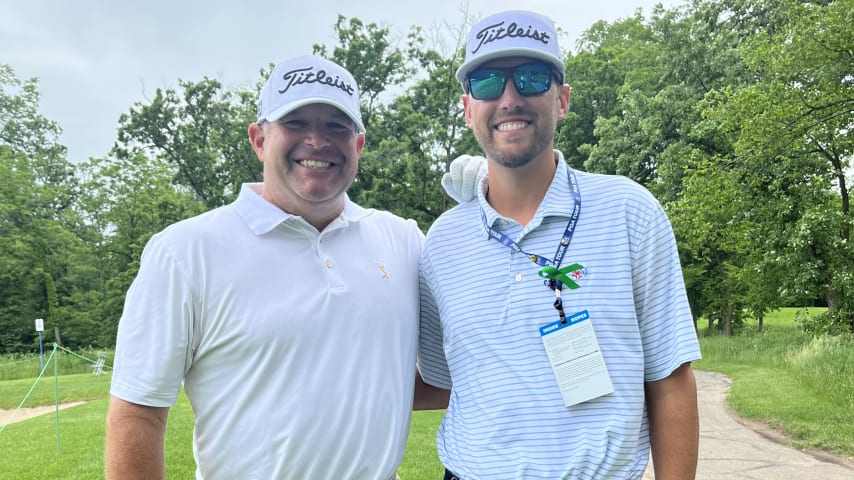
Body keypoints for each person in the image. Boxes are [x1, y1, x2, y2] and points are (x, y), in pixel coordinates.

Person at [105, 55, 427, 480]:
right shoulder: (185, 251)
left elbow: (442, 372)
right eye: (295, 122)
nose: (317, 140)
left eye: (337, 125)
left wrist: (491, 201)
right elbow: (137, 413)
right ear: (259, 139)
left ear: (359, 145)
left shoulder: (402, 240)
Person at [418, 10, 702, 480]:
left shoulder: (630, 211)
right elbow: (443, 381)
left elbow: (670, 378)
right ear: (469, 109)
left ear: (562, 99)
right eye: (488, 83)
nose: (509, 99)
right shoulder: (441, 242)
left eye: (531, 78)